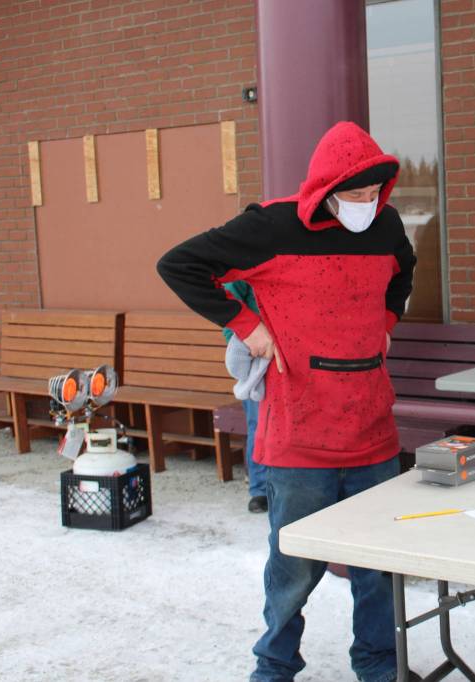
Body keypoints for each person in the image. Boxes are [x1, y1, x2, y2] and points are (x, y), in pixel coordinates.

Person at [157, 121, 417, 682]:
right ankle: (274, 666)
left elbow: (404, 272)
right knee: (294, 568)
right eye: (355, 195)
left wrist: (388, 321)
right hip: (299, 436)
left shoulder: (386, 226)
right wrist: (245, 324)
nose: (366, 206)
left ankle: (378, 666)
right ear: (326, 188)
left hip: (372, 431)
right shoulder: (271, 226)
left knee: (377, 568)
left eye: (375, 195)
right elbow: (179, 264)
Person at [220, 279, 269, 513]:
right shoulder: (245, 263)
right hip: (255, 356)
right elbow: (227, 302)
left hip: (290, 352)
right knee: (258, 425)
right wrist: (241, 345)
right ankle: (259, 490)